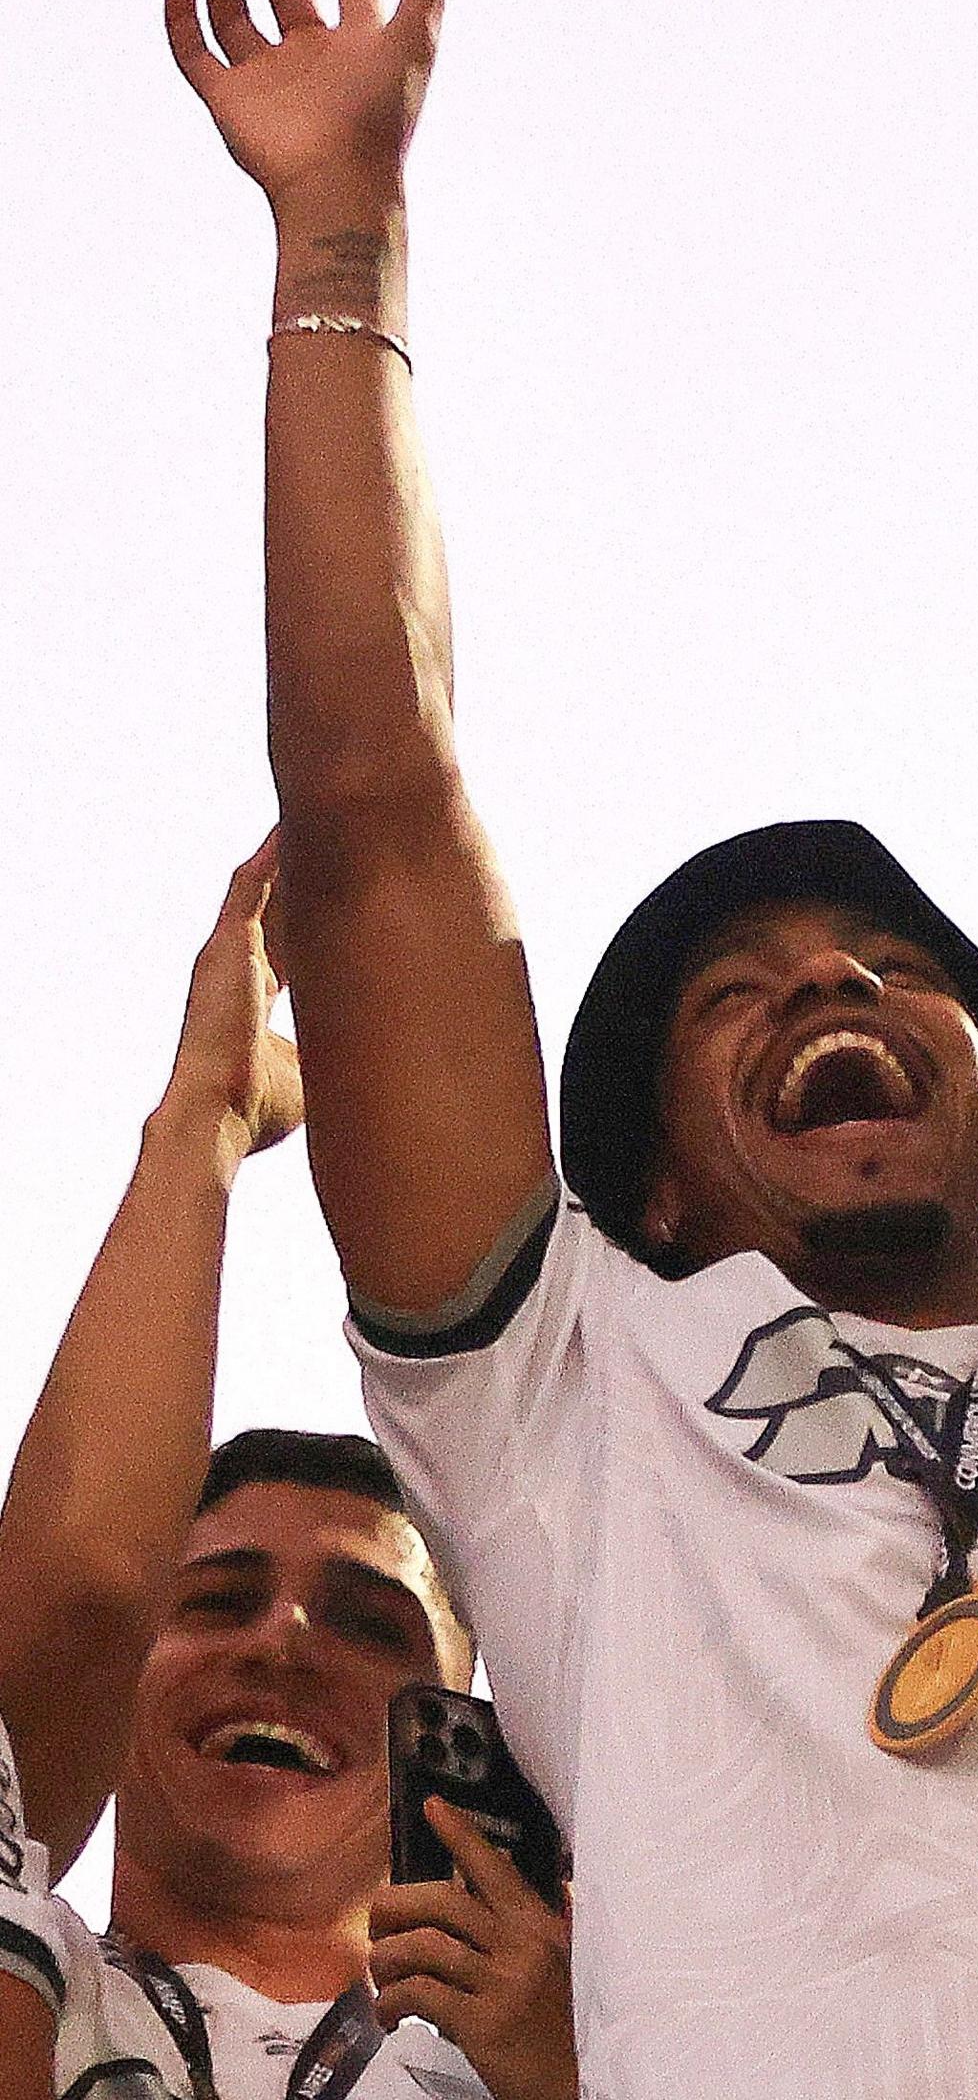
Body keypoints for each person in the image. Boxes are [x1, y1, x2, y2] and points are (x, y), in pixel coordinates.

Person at [160, 0, 978, 2090]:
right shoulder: (581, 1396)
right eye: (739, 998)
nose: (832, 984)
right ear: (648, 1175)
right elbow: (377, 809)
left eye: (890, 967)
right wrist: (339, 242)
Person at [0, 848, 571, 2098]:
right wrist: (202, 1112)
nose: (282, 1642)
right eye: (213, 1596)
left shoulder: (609, 2048)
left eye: (374, 1624)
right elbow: (86, 1588)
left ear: (463, 1726)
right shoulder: (39, 1999)